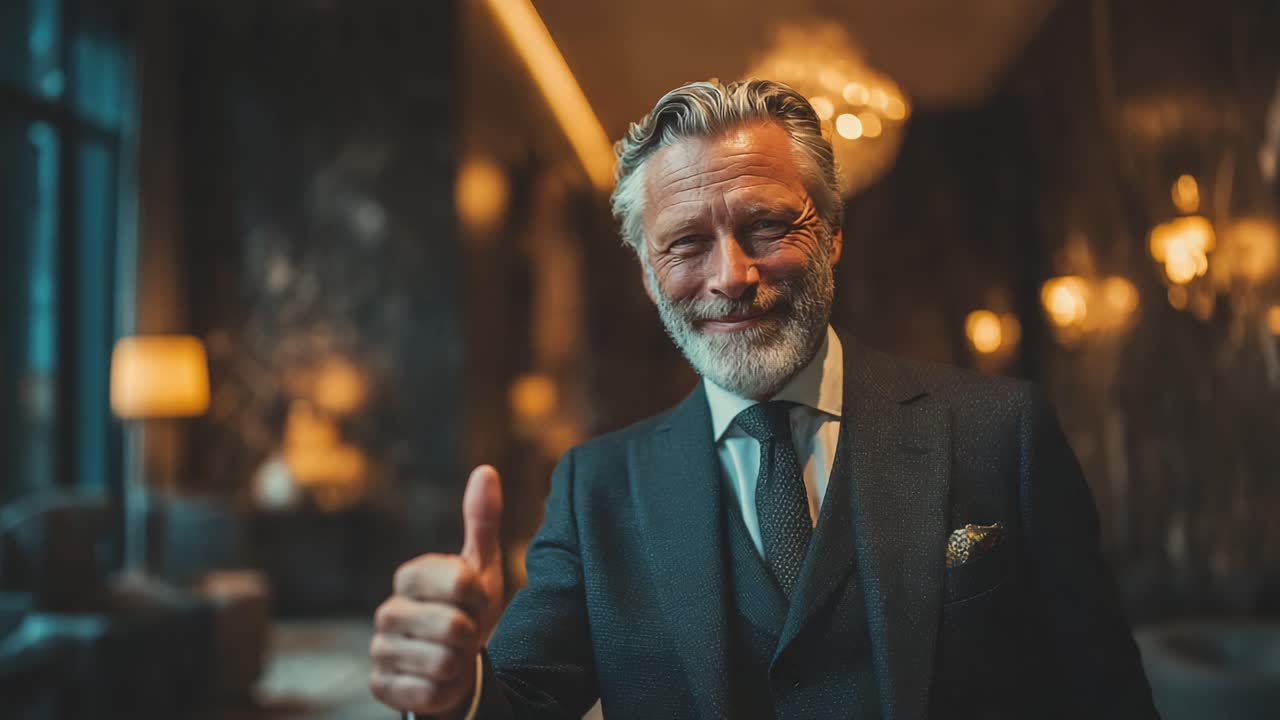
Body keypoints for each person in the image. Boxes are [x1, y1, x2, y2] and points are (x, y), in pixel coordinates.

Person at [368, 79, 1159, 720]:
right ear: (647, 274)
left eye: (767, 227)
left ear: (833, 233)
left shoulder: (1001, 433)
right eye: (685, 244)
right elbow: (521, 707)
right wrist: (454, 694)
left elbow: (1106, 700)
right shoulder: (595, 491)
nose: (730, 276)